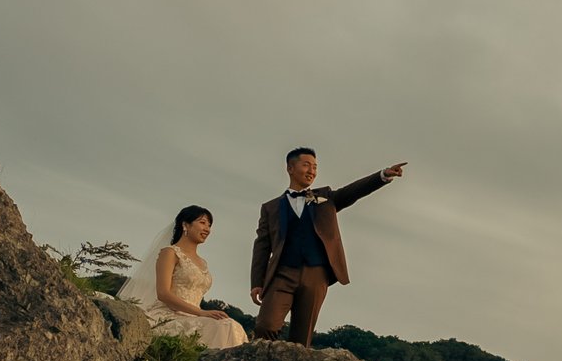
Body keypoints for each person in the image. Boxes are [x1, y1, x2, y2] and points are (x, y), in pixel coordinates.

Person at [250, 147, 407, 345]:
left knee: (301, 337)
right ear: (290, 168)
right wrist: (257, 282)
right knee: (266, 325)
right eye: (306, 165)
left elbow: (353, 191)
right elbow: (262, 246)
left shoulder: (325, 197)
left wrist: (382, 176)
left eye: (315, 167)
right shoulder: (270, 207)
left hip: (316, 274)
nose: (311, 171)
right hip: (282, 272)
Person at [117, 205, 249, 350]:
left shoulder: (202, 262)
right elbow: (163, 293)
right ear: (185, 224)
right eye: (202, 222)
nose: (207, 229)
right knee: (225, 326)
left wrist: (201, 314)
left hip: (195, 317)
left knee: (233, 326)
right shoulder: (170, 253)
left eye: (209, 225)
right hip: (168, 315)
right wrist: (201, 312)